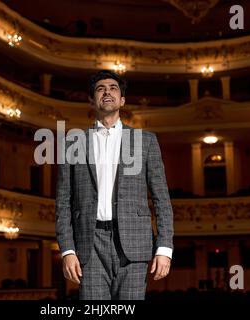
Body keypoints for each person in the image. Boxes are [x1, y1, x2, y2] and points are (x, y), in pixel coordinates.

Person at [55, 70, 174, 300]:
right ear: (92, 100)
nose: (107, 91)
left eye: (113, 88)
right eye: (100, 88)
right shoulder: (72, 142)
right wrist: (67, 250)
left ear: (122, 100)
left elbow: (161, 199)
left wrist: (164, 247)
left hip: (135, 244)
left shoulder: (146, 141)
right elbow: (63, 201)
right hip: (89, 246)